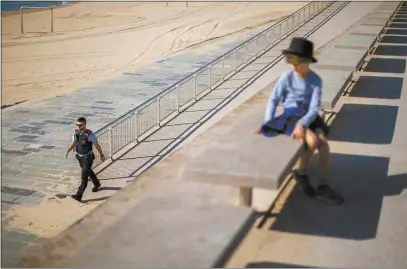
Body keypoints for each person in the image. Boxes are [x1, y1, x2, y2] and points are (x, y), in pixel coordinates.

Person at [259, 37, 344, 205]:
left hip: (308, 117)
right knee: (312, 140)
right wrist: (269, 122)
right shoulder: (286, 78)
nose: (294, 66)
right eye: (291, 62)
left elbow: (314, 109)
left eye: (298, 63)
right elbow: (273, 100)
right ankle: (301, 173)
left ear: (307, 62)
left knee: (324, 145)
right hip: (291, 115)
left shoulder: (315, 80)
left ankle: (323, 185)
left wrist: (302, 124)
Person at [65, 117, 105, 202]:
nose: (78, 127)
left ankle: (78, 195)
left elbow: (97, 145)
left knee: (84, 177)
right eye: (77, 125)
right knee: (88, 170)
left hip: (88, 157)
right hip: (79, 156)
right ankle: (97, 183)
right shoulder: (76, 133)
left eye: (80, 125)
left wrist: (101, 155)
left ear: (85, 124)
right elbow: (74, 142)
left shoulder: (90, 134)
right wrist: (67, 151)